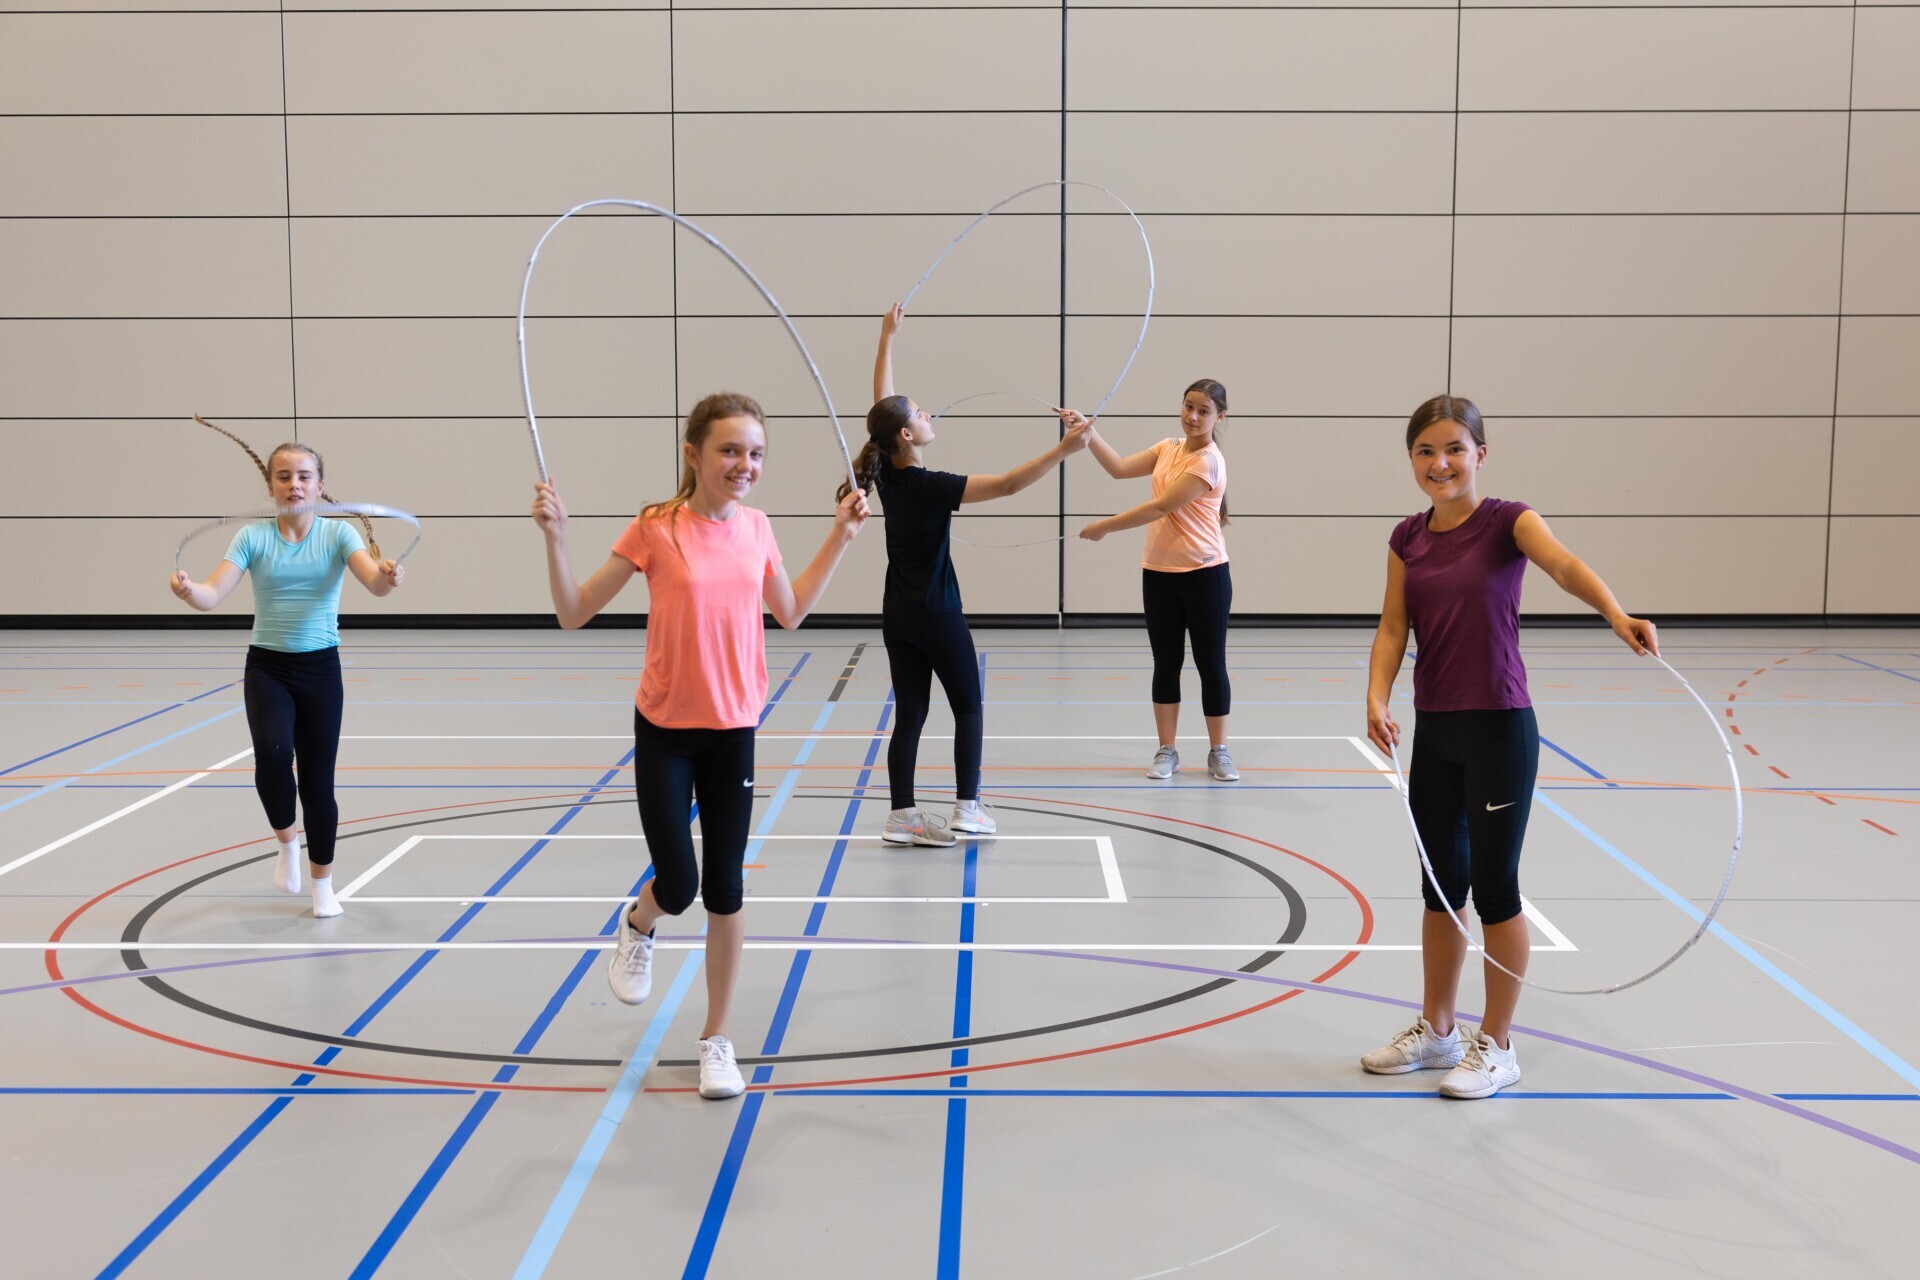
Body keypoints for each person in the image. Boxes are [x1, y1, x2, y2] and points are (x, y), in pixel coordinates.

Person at [532, 392, 868, 1100]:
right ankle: (638, 922)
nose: (744, 464)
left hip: (733, 729)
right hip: (664, 729)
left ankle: (717, 1040)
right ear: (693, 453)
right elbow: (572, 612)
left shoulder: (758, 527)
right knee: (677, 885)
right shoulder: (657, 527)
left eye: (755, 453)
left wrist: (839, 535)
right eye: (729, 450)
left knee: (725, 888)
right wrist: (556, 538)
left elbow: (793, 611)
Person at [1361, 394, 1657, 1098]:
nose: (1441, 463)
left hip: (1500, 728)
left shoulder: (1507, 522)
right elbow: (1393, 627)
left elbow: (1562, 564)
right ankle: (1437, 1033)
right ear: (1412, 460)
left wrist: (1615, 612)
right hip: (1435, 730)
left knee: (1496, 892)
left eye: (1455, 449)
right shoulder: (1407, 537)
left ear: (1480, 455)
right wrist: (1376, 696)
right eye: (1426, 451)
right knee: (1440, 892)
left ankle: (1496, 1045)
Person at [849, 304, 1089, 847]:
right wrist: (1065, 448)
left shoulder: (885, 467)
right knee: (969, 706)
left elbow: (880, 406)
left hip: (897, 614)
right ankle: (967, 807)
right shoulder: (929, 483)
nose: (929, 414)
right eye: (921, 414)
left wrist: (886, 339)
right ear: (907, 435)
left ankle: (902, 816)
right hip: (937, 611)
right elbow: (1006, 484)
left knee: (910, 711)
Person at [168, 443, 406, 919]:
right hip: (268, 668)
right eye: (283, 476)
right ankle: (286, 841)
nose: (293, 484)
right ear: (271, 486)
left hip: (321, 670)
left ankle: (323, 885)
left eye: (303, 476)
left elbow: (374, 584)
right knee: (273, 757)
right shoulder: (252, 539)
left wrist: (389, 576)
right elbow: (213, 593)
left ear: (319, 485)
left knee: (319, 785)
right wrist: (190, 590)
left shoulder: (338, 535)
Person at [1073, 380, 1236, 781]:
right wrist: (1087, 433)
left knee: (1210, 663)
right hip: (1159, 574)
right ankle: (1168, 750)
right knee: (1166, 663)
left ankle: (1219, 752)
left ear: (1219, 417)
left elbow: (1160, 507)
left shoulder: (1208, 461)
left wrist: (1105, 527)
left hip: (1205, 574)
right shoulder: (1167, 448)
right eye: (1188, 406)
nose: (1192, 416)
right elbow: (1118, 468)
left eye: (1203, 411)